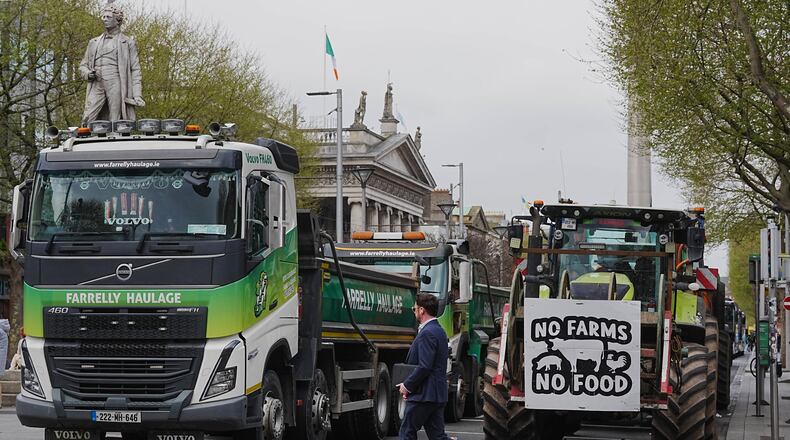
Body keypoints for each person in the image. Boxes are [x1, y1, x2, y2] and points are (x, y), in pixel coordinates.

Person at [397, 293, 456, 440]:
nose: (414, 311)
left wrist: (407, 385)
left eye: (414, 308)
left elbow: (425, 366)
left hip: (424, 395)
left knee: (407, 433)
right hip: (436, 394)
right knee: (438, 436)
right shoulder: (439, 331)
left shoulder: (427, 333)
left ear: (422, 310)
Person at [79, 3, 145, 125]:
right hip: (97, 82)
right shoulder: (93, 42)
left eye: (108, 17)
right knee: (88, 117)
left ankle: (115, 142)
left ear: (117, 20)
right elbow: (83, 65)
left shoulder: (128, 43)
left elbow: (135, 70)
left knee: (116, 119)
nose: (104, 19)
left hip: (115, 81)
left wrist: (137, 95)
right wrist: (88, 74)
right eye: (103, 17)